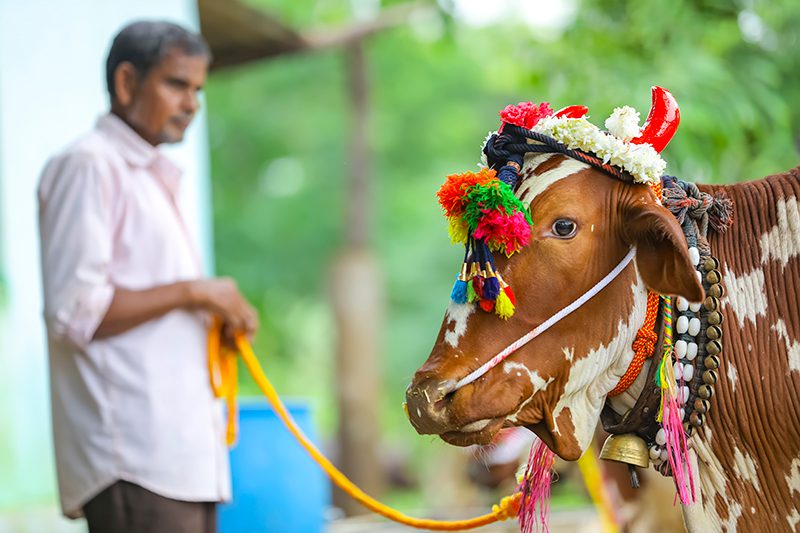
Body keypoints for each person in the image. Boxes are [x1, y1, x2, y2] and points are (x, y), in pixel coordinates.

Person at [37, 21, 258, 533]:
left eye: (198, 90)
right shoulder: (89, 165)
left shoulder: (151, 176)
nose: (192, 104)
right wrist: (195, 292)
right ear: (126, 83)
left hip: (180, 458)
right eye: (176, 84)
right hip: (134, 458)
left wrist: (206, 311)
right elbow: (75, 311)